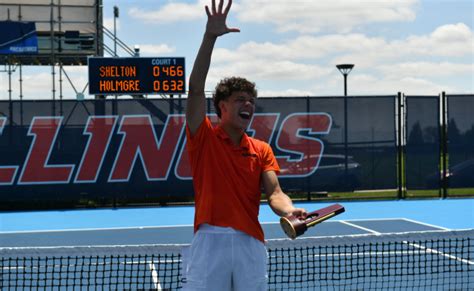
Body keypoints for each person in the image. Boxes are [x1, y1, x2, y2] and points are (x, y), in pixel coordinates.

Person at [183, 0, 307, 290]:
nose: (248, 104)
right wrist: (209, 37)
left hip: (250, 242)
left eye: (251, 101)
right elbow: (196, 89)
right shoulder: (203, 137)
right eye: (240, 99)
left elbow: (274, 193)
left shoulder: (261, 149)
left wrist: (289, 210)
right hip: (209, 240)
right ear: (222, 107)